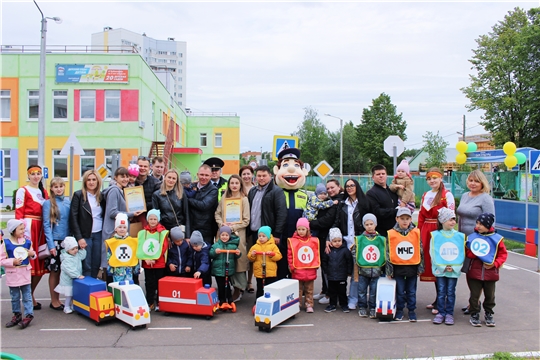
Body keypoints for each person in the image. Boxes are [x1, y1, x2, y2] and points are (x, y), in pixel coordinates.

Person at [456, 169, 494, 314]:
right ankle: (473, 301)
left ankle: (480, 303)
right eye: (471, 180)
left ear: (482, 183)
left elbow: (491, 220)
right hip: (464, 239)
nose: (473, 183)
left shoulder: (485, 198)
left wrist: (486, 240)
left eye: (476, 181)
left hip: (479, 241)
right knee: (469, 271)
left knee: (479, 273)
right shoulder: (465, 196)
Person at [418, 167, 455, 314]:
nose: (432, 181)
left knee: (441, 264)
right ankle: (438, 298)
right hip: (426, 231)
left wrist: (446, 234)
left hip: (440, 232)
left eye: (435, 177)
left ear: (441, 178)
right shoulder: (426, 195)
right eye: (429, 178)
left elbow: (451, 216)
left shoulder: (447, 195)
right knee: (431, 264)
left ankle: (444, 300)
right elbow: (421, 215)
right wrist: (419, 233)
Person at [247, 165, 286, 293]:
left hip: (269, 236)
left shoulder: (276, 191)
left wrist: (276, 234)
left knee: (270, 267)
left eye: (264, 175)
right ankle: (259, 296)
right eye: (259, 176)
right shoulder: (252, 191)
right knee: (258, 265)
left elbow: (281, 213)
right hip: (255, 235)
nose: (261, 178)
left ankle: (271, 295)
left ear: (270, 176)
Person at [333, 178, 370, 310]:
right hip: (344, 242)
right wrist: (330, 237)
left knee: (356, 273)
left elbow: (368, 222)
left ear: (357, 186)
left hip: (359, 242)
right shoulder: (342, 203)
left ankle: (354, 299)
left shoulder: (364, 203)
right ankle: (338, 298)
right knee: (341, 271)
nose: (349, 188)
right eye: (347, 186)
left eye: (352, 185)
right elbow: (336, 222)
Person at [15, 165, 49, 310]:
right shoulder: (22, 190)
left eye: (38, 173)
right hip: (29, 228)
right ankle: (29, 296)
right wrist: (19, 232)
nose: (36, 176)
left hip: (42, 228)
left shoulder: (44, 192)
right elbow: (19, 212)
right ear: (28, 175)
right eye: (33, 174)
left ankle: (30, 293)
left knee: (40, 263)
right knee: (29, 263)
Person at [465, 213, 507, 327]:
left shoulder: (496, 239)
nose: (478, 226)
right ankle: (474, 313)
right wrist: (474, 253)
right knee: (474, 294)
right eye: (477, 223)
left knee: (490, 295)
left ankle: (489, 313)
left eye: (481, 224)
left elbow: (502, 254)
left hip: (491, 273)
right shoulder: (473, 237)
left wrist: (495, 264)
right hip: (475, 272)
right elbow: (467, 252)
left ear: (488, 225)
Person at [273, 148, 309, 280]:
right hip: (280, 237)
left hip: (298, 238)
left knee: (297, 267)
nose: (292, 170)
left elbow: (308, 217)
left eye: (296, 165)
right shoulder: (276, 193)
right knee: (281, 267)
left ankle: (297, 293)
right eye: (286, 165)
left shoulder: (304, 195)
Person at [215, 174, 250, 301]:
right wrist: (222, 224)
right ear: (228, 184)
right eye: (232, 183)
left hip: (237, 235)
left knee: (238, 262)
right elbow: (217, 214)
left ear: (240, 185)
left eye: (237, 183)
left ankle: (238, 289)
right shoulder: (224, 198)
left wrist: (233, 227)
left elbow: (246, 220)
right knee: (225, 261)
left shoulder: (244, 200)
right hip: (224, 234)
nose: (234, 185)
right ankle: (226, 290)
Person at [101, 167, 143, 274]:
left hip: (118, 232)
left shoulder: (120, 190)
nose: (125, 179)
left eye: (127, 176)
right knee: (113, 266)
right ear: (115, 177)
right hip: (112, 232)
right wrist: (131, 214)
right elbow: (112, 212)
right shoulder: (114, 191)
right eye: (122, 177)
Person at [386, 207, 424, 322]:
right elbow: (388, 253)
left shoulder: (416, 233)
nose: (405, 221)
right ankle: (400, 310)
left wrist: (420, 267)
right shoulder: (391, 234)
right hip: (398, 268)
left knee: (411, 291)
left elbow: (420, 250)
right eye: (402, 218)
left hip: (412, 268)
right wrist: (389, 270)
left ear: (411, 219)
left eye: (407, 218)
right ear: (397, 219)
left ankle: (412, 310)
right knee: (400, 291)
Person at [430, 208, 465, 326]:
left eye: (454, 219)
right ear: (442, 221)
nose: (453, 222)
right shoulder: (436, 236)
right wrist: (443, 266)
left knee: (450, 291)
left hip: (453, 270)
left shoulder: (459, 236)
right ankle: (441, 312)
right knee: (441, 292)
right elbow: (434, 253)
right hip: (441, 270)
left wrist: (454, 267)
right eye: (450, 219)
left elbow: (460, 252)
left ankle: (449, 313)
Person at [313, 179, 344, 305]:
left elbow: (327, 220)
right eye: (328, 188)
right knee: (323, 264)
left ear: (338, 187)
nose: (330, 190)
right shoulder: (328, 201)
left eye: (332, 187)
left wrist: (309, 223)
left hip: (330, 238)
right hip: (323, 236)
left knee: (328, 266)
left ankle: (329, 294)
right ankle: (324, 290)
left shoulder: (337, 202)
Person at [42, 177, 70, 310]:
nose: (59, 189)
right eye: (56, 187)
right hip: (56, 240)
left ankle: (61, 299)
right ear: (52, 189)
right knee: (55, 271)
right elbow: (47, 225)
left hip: (67, 241)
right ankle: (54, 300)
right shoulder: (48, 203)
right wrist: (51, 245)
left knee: (65, 271)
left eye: (61, 186)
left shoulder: (68, 201)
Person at [70, 170, 104, 279]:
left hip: (98, 234)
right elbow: (73, 218)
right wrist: (79, 237)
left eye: (94, 179)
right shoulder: (78, 195)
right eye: (88, 180)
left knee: (96, 264)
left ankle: (93, 288)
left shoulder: (101, 196)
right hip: (85, 235)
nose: (91, 182)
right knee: (87, 265)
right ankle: (86, 289)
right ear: (85, 182)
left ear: (98, 181)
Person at [2, 219, 36, 329]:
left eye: (23, 228)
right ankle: (17, 314)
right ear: (13, 230)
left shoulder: (27, 242)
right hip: (13, 275)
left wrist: (32, 254)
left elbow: (33, 255)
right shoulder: (5, 244)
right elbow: (1, 260)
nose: (23, 231)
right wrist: (12, 262)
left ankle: (29, 314)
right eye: (20, 229)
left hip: (25, 274)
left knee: (27, 295)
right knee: (15, 296)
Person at [355, 214, 386, 319]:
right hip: (363, 271)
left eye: (371, 224)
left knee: (373, 291)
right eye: (366, 224)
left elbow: (384, 253)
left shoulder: (381, 239)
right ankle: (362, 307)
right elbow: (356, 253)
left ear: (375, 224)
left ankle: (373, 308)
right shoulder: (359, 239)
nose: (369, 226)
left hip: (376, 271)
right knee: (362, 291)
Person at [287, 218, 320, 313]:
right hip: (297, 270)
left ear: (307, 230)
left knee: (309, 289)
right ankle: (297, 303)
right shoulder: (293, 241)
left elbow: (315, 254)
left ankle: (309, 304)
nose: (301, 231)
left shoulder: (313, 241)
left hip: (309, 270)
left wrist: (315, 266)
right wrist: (291, 266)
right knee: (298, 289)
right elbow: (290, 255)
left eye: (303, 229)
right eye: (299, 229)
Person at [140, 209, 169, 311]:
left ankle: (160, 302)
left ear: (158, 220)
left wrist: (155, 258)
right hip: (147, 263)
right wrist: (146, 258)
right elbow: (141, 246)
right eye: (150, 219)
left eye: (154, 219)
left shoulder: (162, 232)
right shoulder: (143, 232)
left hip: (159, 263)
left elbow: (163, 247)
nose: (152, 221)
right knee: (149, 282)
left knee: (159, 283)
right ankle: (150, 301)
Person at [322, 227, 352, 313]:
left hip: (342, 276)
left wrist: (349, 272)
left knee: (342, 291)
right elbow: (324, 261)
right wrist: (326, 270)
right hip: (331, 276)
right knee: (332, 291)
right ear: (331, 242)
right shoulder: (328, 251)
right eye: (335, 241)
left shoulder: (345, 251)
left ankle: (344, 304)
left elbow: (349, 261)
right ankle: (332, 304)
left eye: (339, 241)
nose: (337, 243)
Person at [210, 226, 241, 310]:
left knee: (227, 285)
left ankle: (230, 300)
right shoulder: (216, 245)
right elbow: (211, 254)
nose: (224, 237)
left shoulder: (232, 246)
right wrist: (215, 252)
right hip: (218, 271)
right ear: (219, 235)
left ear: (229, 236)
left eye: (226, 235)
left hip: (228, 270)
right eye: (222, 235)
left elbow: (237, 254)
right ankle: (221, 301)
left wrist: (238, 253)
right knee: (221, 286)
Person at [247, 226, 282, 299]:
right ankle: (258, 301)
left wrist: (272, 254)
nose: (261, 238)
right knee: (260, 288)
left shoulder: (273, 246)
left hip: (270, 272)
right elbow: (250, 257)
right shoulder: (255, 246)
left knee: (270, 287)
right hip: (259, 272)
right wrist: (252, 255)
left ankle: (271, 300)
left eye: (263, 236)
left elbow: (279, 256)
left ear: (268, 237)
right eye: (259, 236)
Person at [189, 164, 219, 245]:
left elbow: (204, 205)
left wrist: (188, 200)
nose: (204, 177)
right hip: (191, 227)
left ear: (210, 176)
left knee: (204, 255)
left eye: (206, 175)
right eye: (202, 174)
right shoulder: (191, 186)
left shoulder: (213, 190)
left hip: (206, 229)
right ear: (197, 174)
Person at [55, 236, 86, 314]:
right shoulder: (66, 259)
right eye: (73, 249)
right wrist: (77, 275)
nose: (75, 250)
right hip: (68, 280)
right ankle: (66, 306)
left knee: (73, 294)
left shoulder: (76, 255)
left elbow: (82, 256)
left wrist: (82, 249)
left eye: (76, 248)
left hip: (74, 279)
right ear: (67, 250)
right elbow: (70, 270)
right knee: (69, 295)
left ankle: (73, 305)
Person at [366, 164, 399, 238]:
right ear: (373, 177)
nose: (381, 176)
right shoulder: (371, 193)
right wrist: (395, 211)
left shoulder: (392, 191)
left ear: (386, 175)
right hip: (381, 234)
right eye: (378, 174)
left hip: (396, 231)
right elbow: (377, 212)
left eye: (383, 174)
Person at [105, 213, 140, 283]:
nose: (122, 229)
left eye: (124, 227)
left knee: (129, 287)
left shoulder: (131, 241)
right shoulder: (112, 242)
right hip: (117, 271)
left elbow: (134, 255)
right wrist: (110, 270)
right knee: (118, 287)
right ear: (116, 228)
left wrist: (136, 269)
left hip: (128, 271)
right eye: (120, 227)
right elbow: (109, 257)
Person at [135, 156, 161, 226]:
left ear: (149, 168)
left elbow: (157, 202)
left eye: (145, 166)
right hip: (131, 217)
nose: (142, 168)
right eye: (140, 166)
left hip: (150, 220)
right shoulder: (130, 182)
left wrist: (142, 207)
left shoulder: (156, 183)